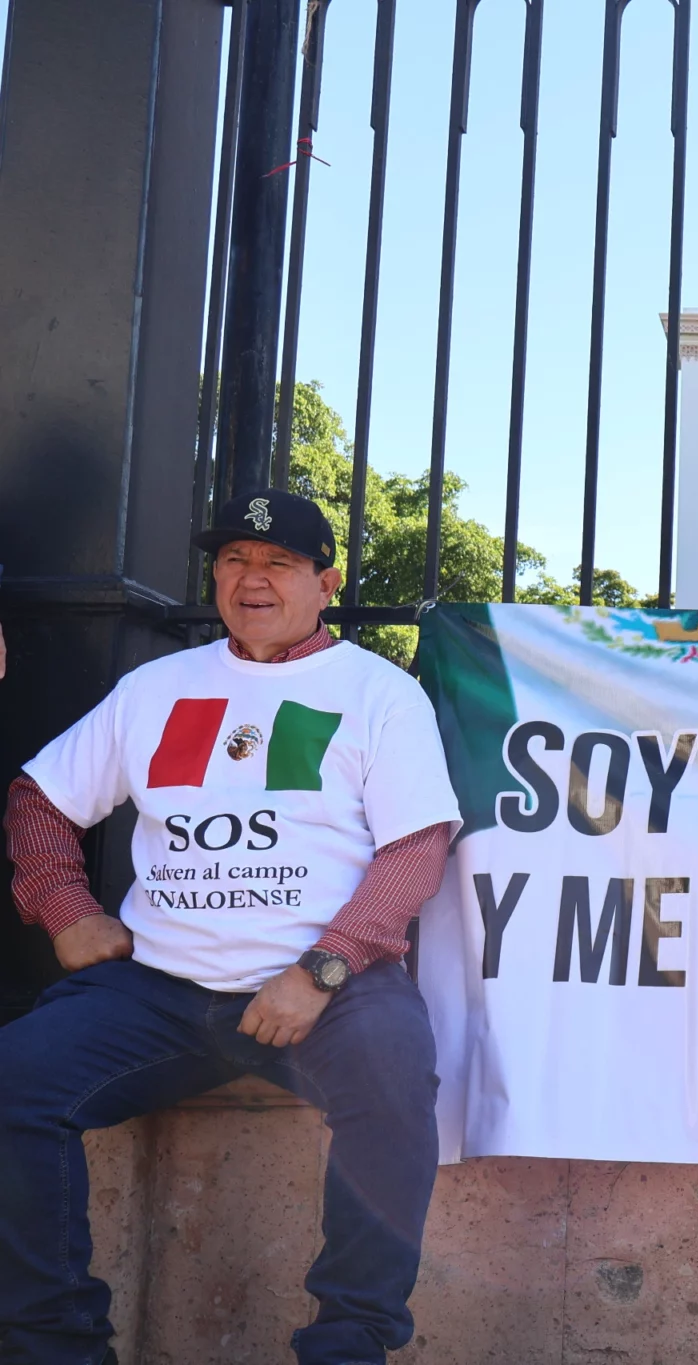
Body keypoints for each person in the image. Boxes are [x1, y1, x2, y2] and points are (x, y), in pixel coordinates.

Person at [0, 489, 461, 1365]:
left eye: (278, 563)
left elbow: (414, 850)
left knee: (396, 1078)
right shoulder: (157, 688)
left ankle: (349, 1345)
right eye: (233, 562)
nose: (251, 579)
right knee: (13, 1082)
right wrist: (66, 910)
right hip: (159, 989)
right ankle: (53, 1345)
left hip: (330, 988)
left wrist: (321, 969)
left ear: (326, 582)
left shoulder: (377, 693)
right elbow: (39, 800)